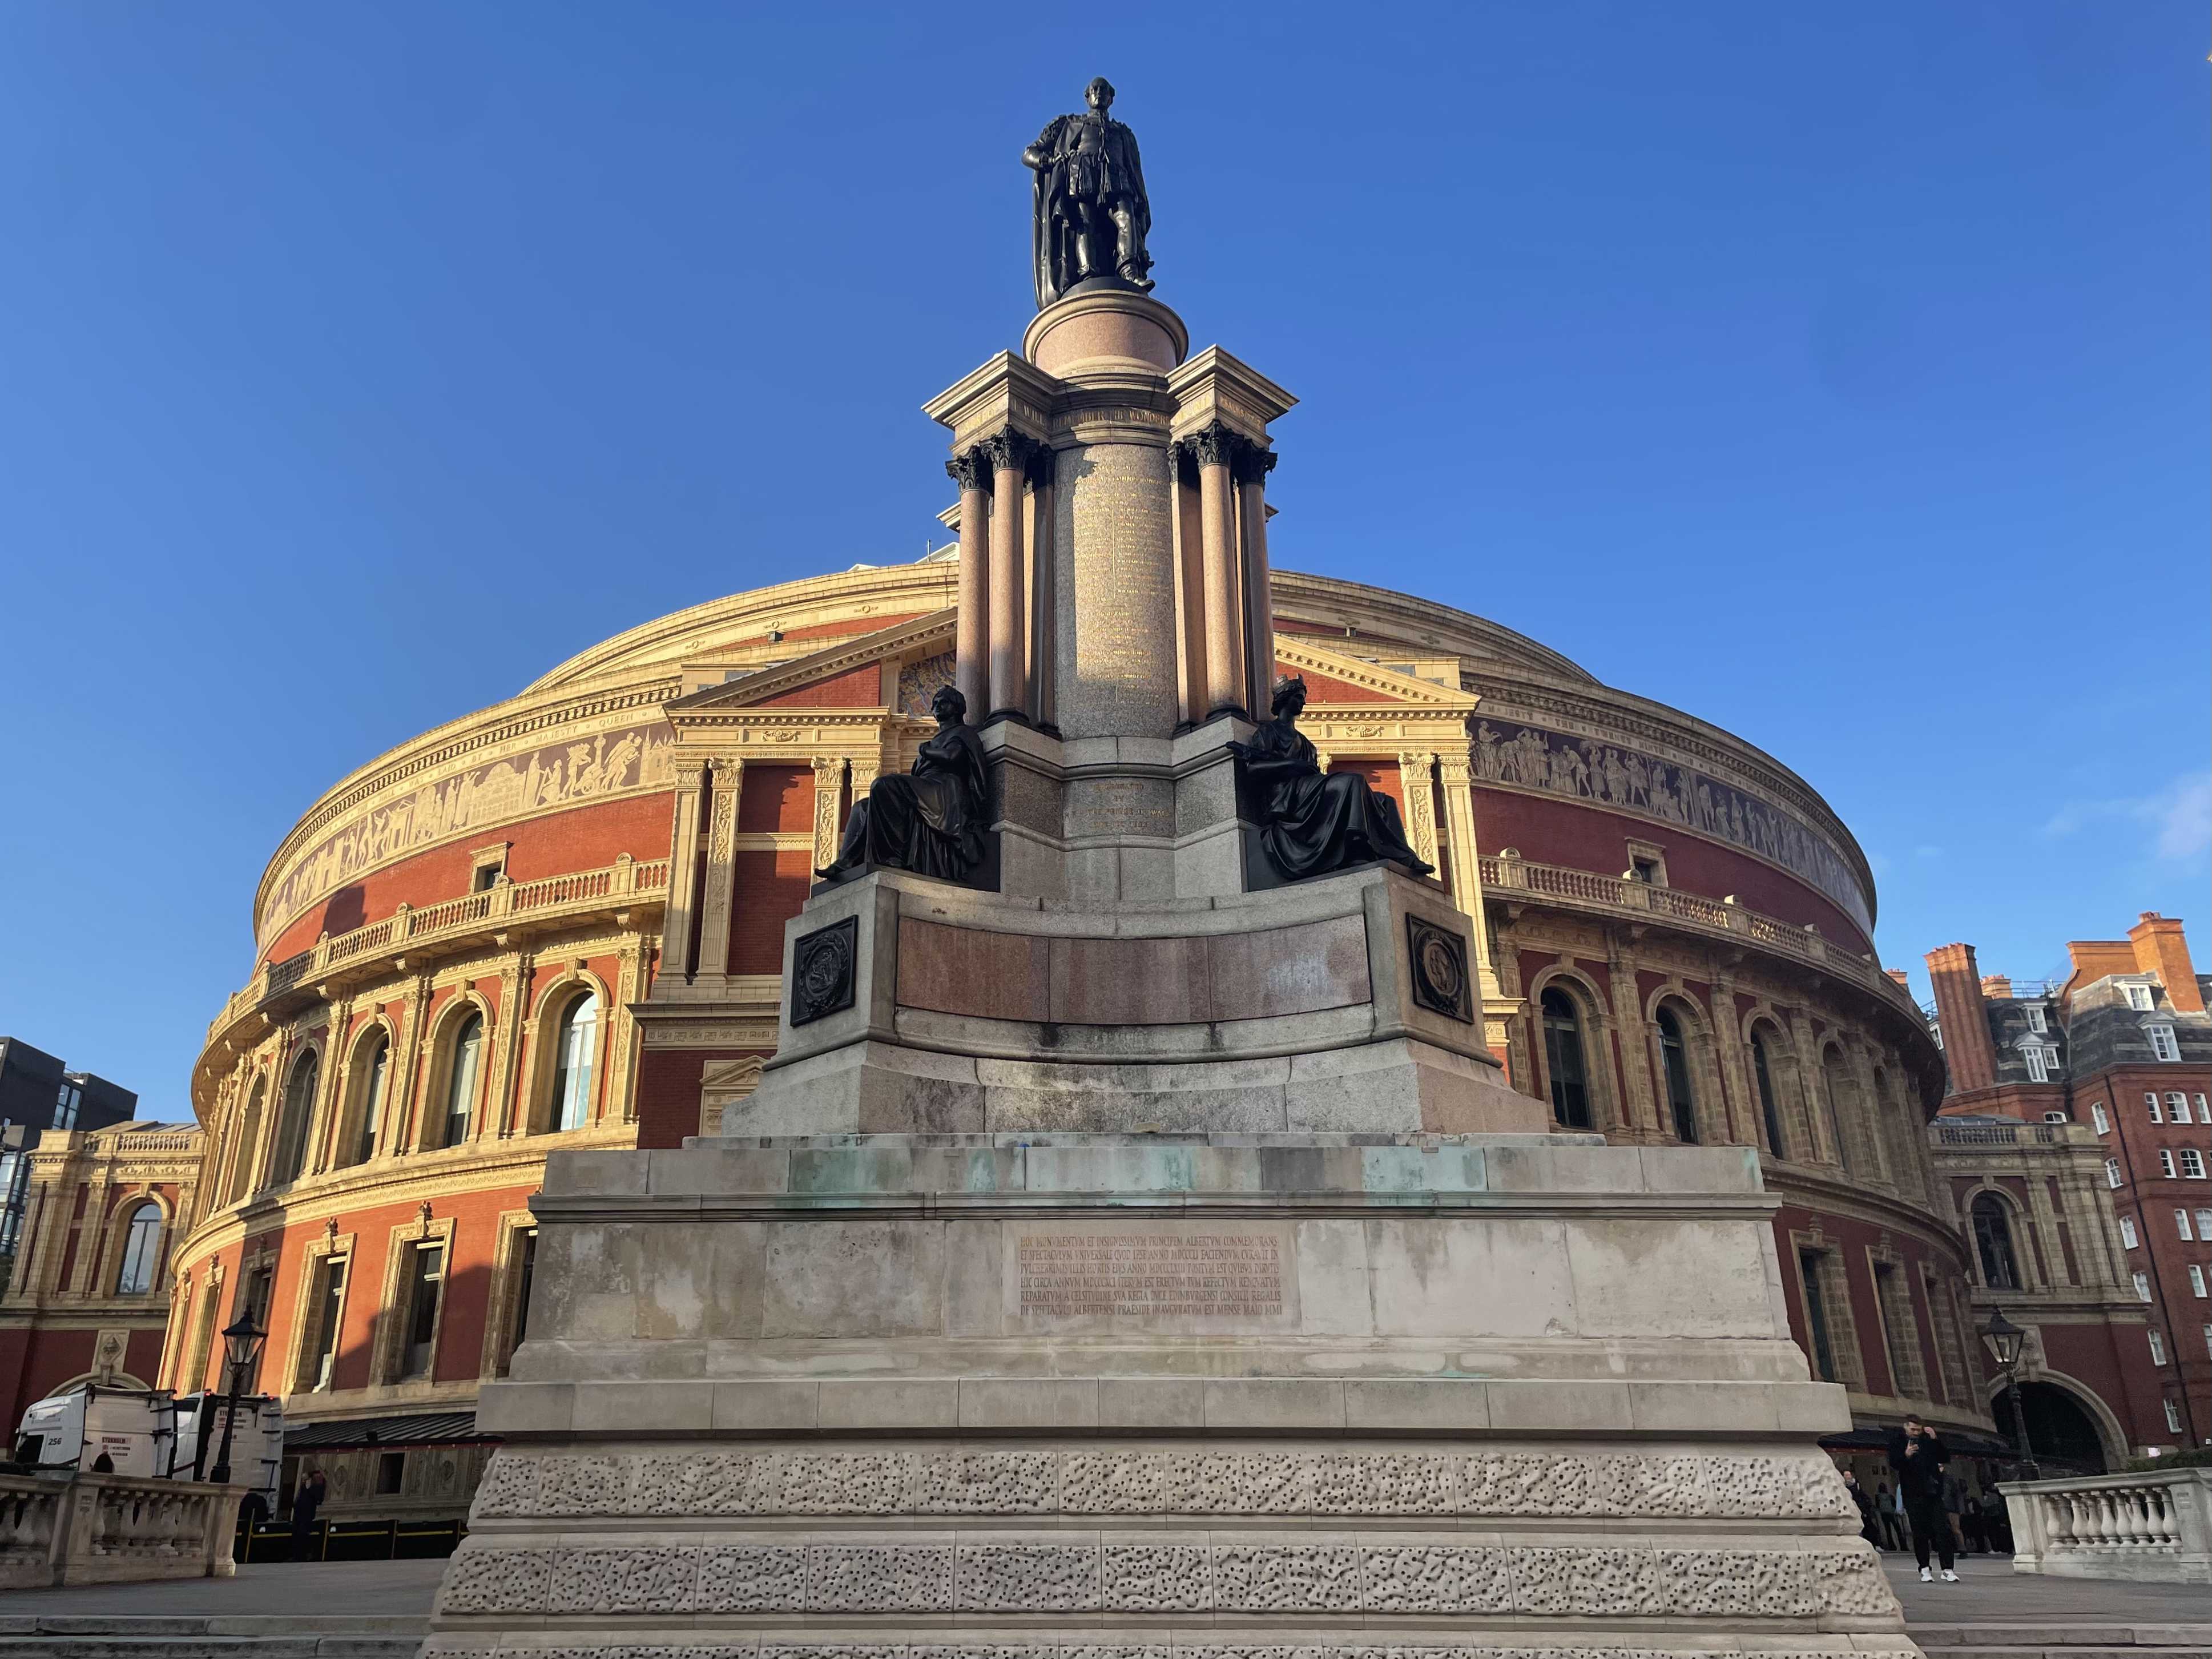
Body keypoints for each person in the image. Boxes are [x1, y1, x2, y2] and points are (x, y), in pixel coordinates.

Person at [1230, 677, 1435, 881]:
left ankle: (1403, 856)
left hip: (1310, 791)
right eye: (1298, 697)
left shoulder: (1306, 743)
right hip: (1287, 796)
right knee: (1353, 782)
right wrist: (1293, 765)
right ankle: (1355, 850)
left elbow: (1316, 777)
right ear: (1284, 699)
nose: (1303, 702)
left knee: (1385, 801)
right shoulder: (1268, 731)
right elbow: (1254, 769)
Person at [814, 685, 989, 884]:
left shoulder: (963, 733)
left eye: (944, 703)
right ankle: (846, 861)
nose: (938, 707)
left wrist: (925, 751)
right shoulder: (937, 739)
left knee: (884, 785)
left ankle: (892, 858)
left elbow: (952, 756)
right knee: (862, 807)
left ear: (957, 708)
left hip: (945, 791)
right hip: (928, 789)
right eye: (935, 704)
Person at [1887, 1414, 1957, 1583]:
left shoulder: (1927, 1442)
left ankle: (1948, 1569)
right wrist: (1906, 1455)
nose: (1916, 1433)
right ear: (1905, 1427)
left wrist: (1935, 1439)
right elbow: (1894, 1463)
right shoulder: (1897, 1442)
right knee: (1920, 1532)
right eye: (1913, 1429)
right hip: (1913, 1494)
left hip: (1933, 1493)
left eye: (1919, 1430)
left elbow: (1945, 1458)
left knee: (1943, 1530)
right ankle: (1924, 1568)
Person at [288, 1467, 327, 1563]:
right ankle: (297, 1555)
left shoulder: (315, 1487)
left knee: (303, 1534)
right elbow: (299, 1498)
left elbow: (318, 1498)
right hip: (300, 1513)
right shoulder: (305, 1487)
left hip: (306, 1514)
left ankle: (302, 1555)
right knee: (297, 1534)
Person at [1841, 1468, 1877, 1544]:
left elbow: (1862, 1495)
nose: (1848, 1477)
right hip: (1851, 1509)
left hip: (1861, 1508)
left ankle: (1874, 1543)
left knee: (1868, 1526)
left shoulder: (1857, 1485)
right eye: (1846, 1475)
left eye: (1849, 1475)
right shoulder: (1843, 1487)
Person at [1873, 1481, 1907, 1551]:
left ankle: (1892, 1546)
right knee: (1898, 1530)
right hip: (1892, 1514)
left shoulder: (1878, 1497)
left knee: (1888, 1531)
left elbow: (1878, 1506)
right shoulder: (1890, 1496)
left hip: (1884, 1514)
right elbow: (1895, 1505)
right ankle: (1903, 1546)